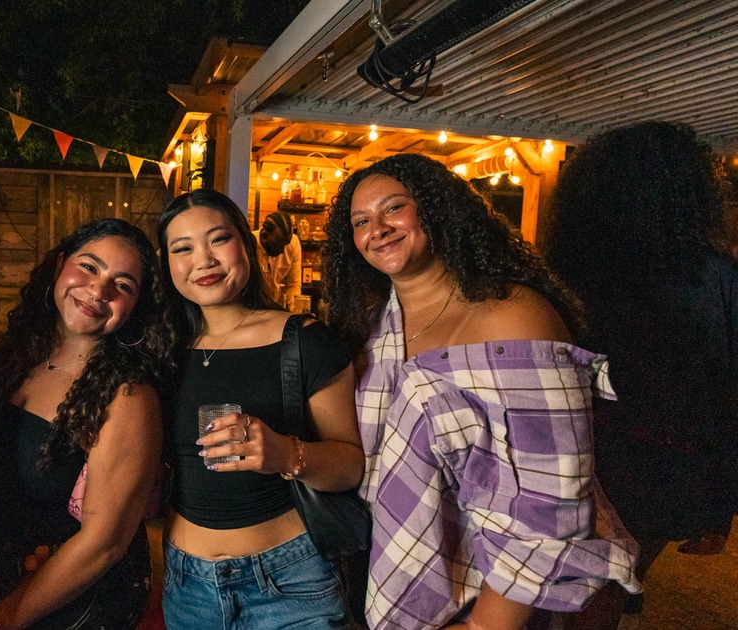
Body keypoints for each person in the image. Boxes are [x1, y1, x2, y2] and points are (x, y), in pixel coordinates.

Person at [323, 153, 640, 629]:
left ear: (437, 209)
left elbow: (551, 498)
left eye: (394, 208)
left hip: (502, 597)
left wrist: (484, 625)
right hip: (391, 568)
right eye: (361, 220)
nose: (378, 228)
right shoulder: (369, 331)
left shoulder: (513, 317)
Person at [543, 121, 738, 613]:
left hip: (572, 458)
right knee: (609, 595)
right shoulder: (716, 279)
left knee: (555, 596)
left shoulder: (566, 274)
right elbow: (726, 396)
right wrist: (718, 505)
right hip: (665, 466)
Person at [156, 189, 364, 629]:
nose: (204, 260)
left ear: (245, 245)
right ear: (167, 263)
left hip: (290, 582)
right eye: (183, 248)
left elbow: (350, 465)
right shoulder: (163, 350)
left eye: (218, 239)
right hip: (186, 584)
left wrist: (286, 453)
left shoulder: (304, 341)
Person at [0, 218, 173, 629]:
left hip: (61, 605)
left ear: (136, 307)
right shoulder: (10, 353)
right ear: (60, 265)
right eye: (89, 267)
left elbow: (103, 545)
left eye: (123, 285)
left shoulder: (128, 397)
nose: (98, 290)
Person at [252, 210, 303, 307]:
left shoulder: (294, 243)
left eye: (285, 244)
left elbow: (293, 285)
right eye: (278, 244)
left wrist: (292, 311)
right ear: (264, 235)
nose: (282, 251)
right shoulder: (249, 244)